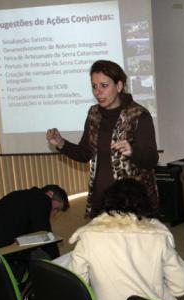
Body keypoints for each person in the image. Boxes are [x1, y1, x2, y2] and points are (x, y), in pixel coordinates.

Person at [68, 178, 184, 300]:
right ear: (144, 203)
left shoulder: (88, 236)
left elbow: (76, 287)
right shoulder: (157, 235)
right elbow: (182, 287)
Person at [46, 60, 158, 218]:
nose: (98, 92)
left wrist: (133, 151)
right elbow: (85, 154)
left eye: (104, 86)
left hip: (130, 202)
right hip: (101, 198)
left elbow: (151, 159)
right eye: (94, 86)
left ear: (119, 86)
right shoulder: (94, 114)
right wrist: (61, 143)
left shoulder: (138, 115)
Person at [0, 185, 69, 280]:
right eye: (56, 208)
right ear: (50, 194)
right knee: (42, 261)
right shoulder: (41, 199)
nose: (55, 213)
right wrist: (59, 265)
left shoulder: (21, 195)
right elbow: (45, 236)